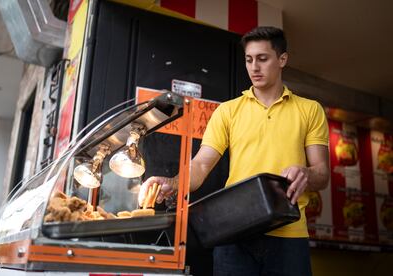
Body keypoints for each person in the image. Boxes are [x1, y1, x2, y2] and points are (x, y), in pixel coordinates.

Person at [139, 26, 330, 276]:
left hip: (290, 234)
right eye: (249, 60)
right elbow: (202, 165)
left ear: (282, 60)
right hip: (234, 233)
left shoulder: (310, 110)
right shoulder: (228, 111)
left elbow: (322, 174)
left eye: (262, 58)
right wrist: (173, 182)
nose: (254, 67)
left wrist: (306, 172)